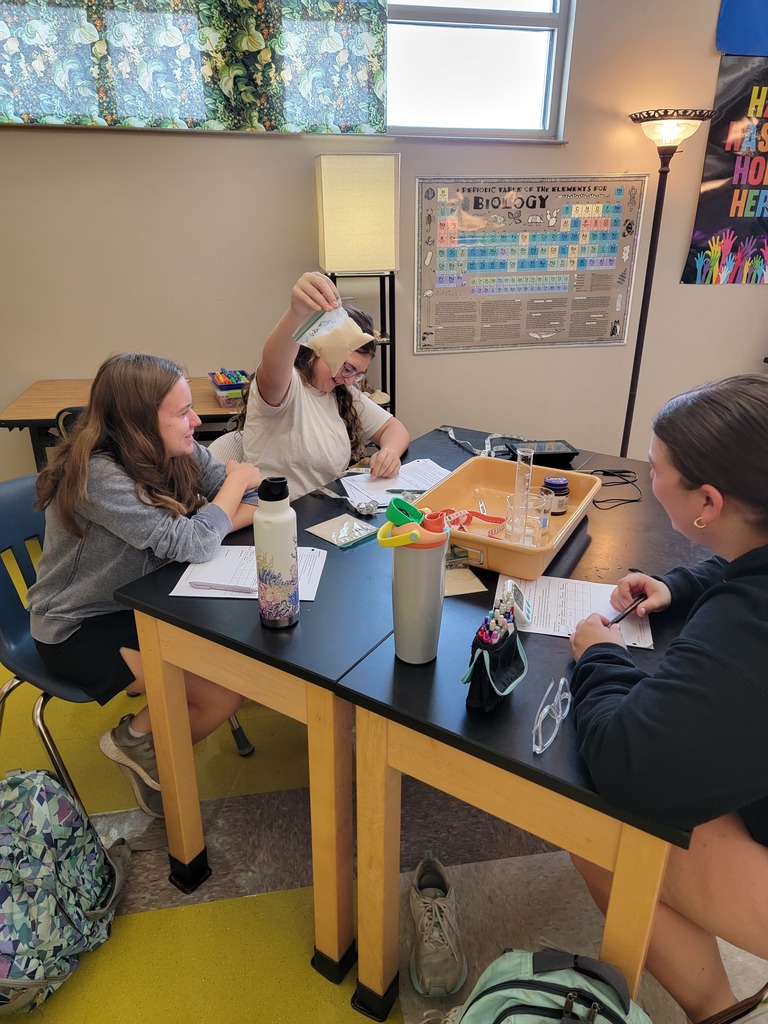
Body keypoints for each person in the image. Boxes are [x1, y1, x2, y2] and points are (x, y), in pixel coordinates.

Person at [568, 374, 768, 1024]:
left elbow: (629, 762)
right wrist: (677, 586)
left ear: (707, 502)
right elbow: (743, 562)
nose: (649, 478)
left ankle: (719, 1006)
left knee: (595, 812)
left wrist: (597, 654)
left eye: (655, 469)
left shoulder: (750, 623)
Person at [27, 353, 263, 819]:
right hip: (76, 627)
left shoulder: (177, 447)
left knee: (234, 667)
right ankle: (134, 739)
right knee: (224, 693)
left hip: (140, 602)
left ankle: (146, 740)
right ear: (137, 424)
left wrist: (210, 518)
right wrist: (232, 484)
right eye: (181, 413)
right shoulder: (98, 476)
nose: (195, 421)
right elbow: (203, 531)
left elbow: (242, 509)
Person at [241, 271, 410, 499]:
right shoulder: (288, 387)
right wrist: (297, 313)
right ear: (320, 347)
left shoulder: (340, 391)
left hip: (322, 513)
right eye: (347, 368)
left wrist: (389, 452)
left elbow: (394, 429)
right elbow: (273, 363)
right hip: (277, 516)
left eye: (358, 374)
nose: (349, 380)